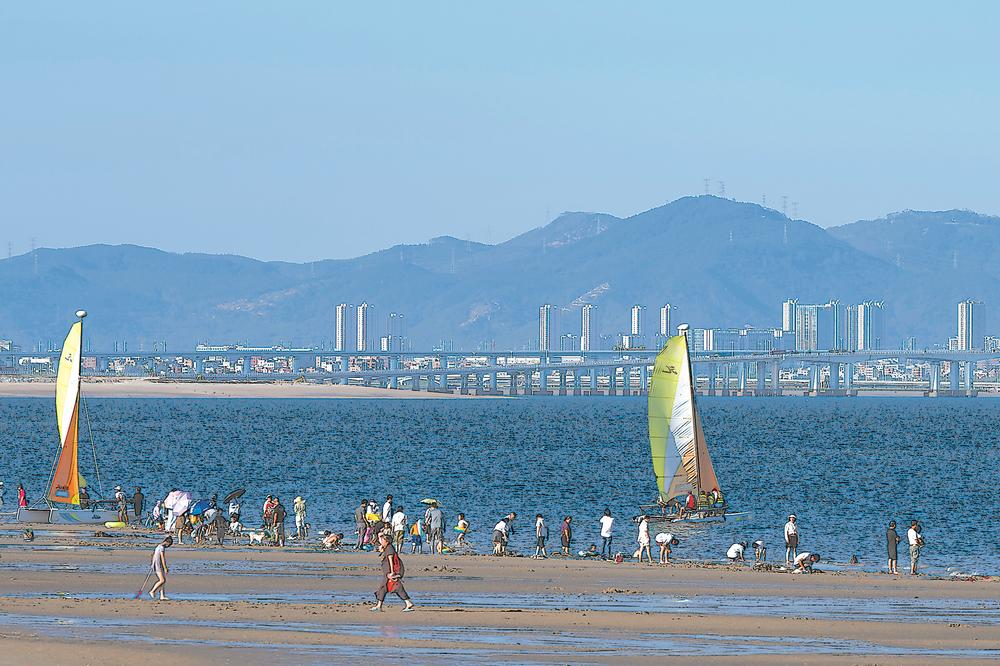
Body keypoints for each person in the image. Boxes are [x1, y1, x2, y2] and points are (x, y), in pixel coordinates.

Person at [371, 532, 415, 612]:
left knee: (389, 587)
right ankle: (379, 605)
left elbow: (391, 561)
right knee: (390, 587)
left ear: (387, 541)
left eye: (382, 540)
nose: (381, 541)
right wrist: (381, 549)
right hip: (387, 572)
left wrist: (392, 572)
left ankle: (407, 602)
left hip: (390, 572)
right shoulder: (387, 547)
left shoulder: (389, 548)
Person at [148, 536, 172, 600]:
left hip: (157, 564)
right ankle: (152, 591)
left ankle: (162, 596)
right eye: (169, 545)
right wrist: (165, 568)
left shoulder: (158, 546)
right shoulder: (161, 548)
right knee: (162, 580)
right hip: (158, 565)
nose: (168, 546)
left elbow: (153, 555)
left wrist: (152, 563)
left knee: (163, 580)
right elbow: (162, 558)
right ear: (167, 543)